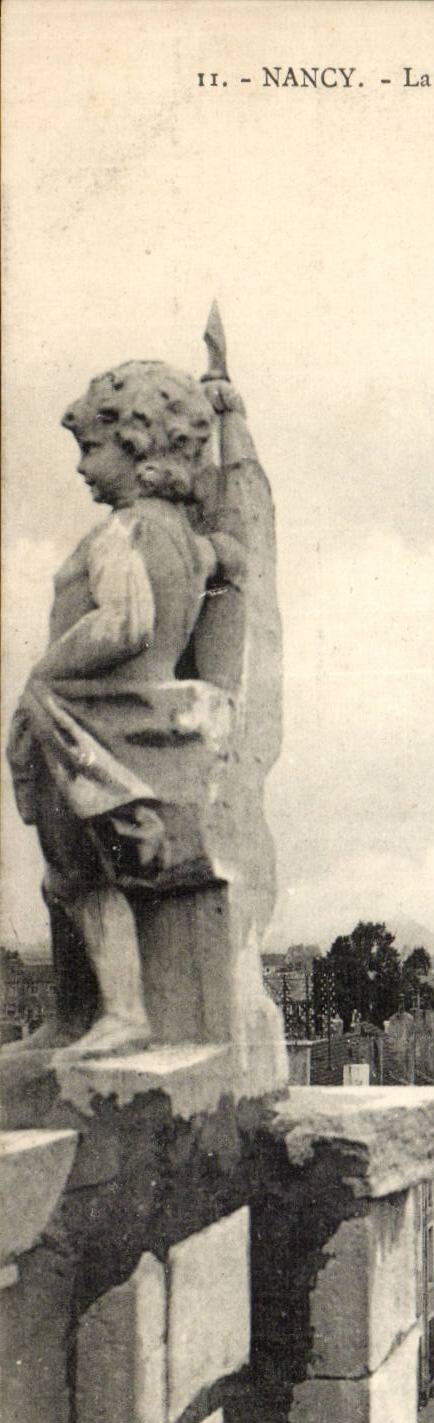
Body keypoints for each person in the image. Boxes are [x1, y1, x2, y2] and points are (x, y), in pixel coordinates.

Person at [6, 359, 245, 1059]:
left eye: (91, 448)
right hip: (142, 720)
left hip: (99, 721)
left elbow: (127, 623)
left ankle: (120, 1012)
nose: (82, 467)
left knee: (77, 875)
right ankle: (83, 1017)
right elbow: (230, 554)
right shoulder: (187, 540)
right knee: (76, 875)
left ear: (139, 446)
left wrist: (44, 673)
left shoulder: (123, 532)